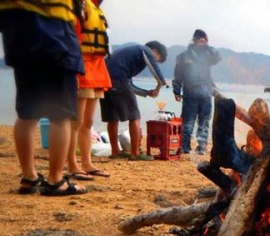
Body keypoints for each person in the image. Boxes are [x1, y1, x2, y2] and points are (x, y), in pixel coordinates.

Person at [0, 0, 87, 196]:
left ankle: (29, 176)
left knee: (27, 114)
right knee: (61, 115)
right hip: (56, 39)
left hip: (19, 40)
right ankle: (55, 180)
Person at [65, 0, 112, 180]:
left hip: (97, 68)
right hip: (82, 66)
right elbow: (73, 37)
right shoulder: (80, 6)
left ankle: (87, 162)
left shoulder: (95, 9)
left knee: (88, 122)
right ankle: (72, 164)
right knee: (75, 121)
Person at [100, 41, 168, 161]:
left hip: (104, 80)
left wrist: (146, 93)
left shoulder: (129, 55)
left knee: (112, 118)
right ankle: (135, 152)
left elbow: (129, 84)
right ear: (155, 51)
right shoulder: (145, 50)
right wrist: (161, 83)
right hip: (118, 79)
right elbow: (154, 68)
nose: (154, 60)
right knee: (134, 116)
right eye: (157, 58)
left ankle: (115, 151)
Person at [173, 29, 221, 155]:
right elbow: (178, 74)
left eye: (204, 39)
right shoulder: (184, 56)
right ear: (194, 40)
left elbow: (218, 57)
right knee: (188, 121)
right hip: (190, 93)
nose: (202, 41)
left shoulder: (208, 55)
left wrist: (207, 46)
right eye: (199, 38)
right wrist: (176, 90)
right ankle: (184, 146)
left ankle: (202, 147)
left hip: (206, 93)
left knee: (204, 121)